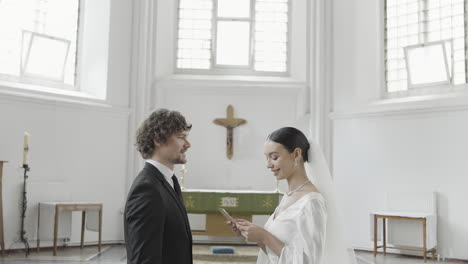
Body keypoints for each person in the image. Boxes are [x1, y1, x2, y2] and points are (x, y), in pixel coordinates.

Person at [230, 127, 357, 264]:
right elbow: (276, 254)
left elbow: (308, 261)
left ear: (296, 154)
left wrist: (265, 236)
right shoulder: (289, 196)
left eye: (274, 157)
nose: (268, 165)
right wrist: (256, 235)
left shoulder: (311, 203)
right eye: (266, 158)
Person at [124, 109, 193, 264]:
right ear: (158, 140)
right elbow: (143, 259)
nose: (188, 144)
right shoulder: (147, 190)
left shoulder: (169, 181)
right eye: (181, 137)